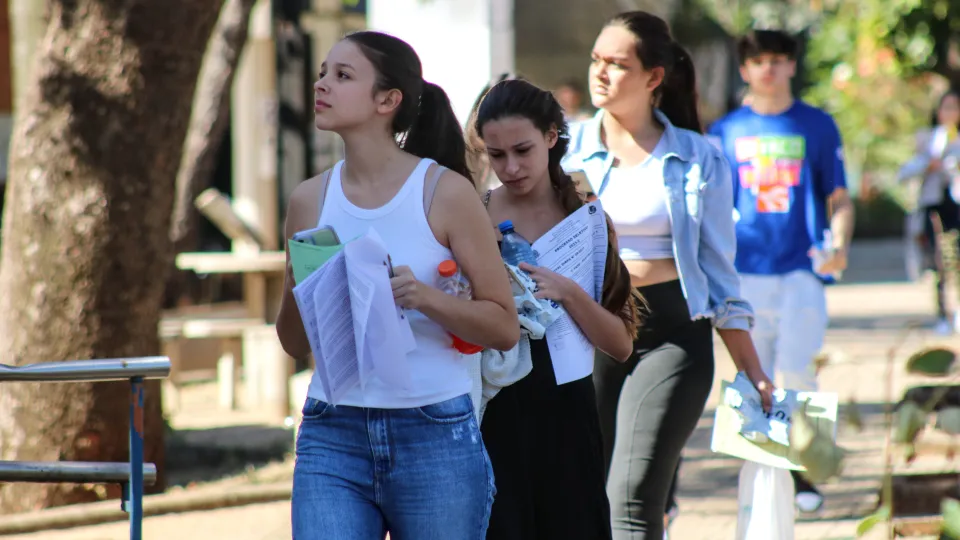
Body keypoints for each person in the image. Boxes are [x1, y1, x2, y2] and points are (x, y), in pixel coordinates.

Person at [276, 30, 520, 539]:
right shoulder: (308, 200)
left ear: (388, 101)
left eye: (343, 75)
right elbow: (295, 344)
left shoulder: (445, 193)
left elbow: (503, 327)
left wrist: (424, 298)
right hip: (332, 429)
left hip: (434, 431)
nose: (321, 84)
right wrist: (304, 289)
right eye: (323, 73)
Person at [562, 11, 774, 539]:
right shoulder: (561, 150)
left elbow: (720, 276)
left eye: (617, 63)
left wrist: (753, 370)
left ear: (654, 77)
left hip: (672, 337)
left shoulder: (699, 157)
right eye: (596, 59)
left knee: (632, 498)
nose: (600, 72)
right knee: (579, 493)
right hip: (583, 334)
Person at [473, 78, 643, 540]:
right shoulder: (473, 213)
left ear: (551, 137)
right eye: (497, 154)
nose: (511, 167)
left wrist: (568, 292)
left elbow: (620, 344)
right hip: (494, 410)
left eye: (522, 150)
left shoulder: (586, 218)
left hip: (567, 414)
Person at [707, 29, 855, 514]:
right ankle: (762, 478)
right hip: (743, 272)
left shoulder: (817, 125)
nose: (768, 68)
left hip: (801, 270)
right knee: (754, 378)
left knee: (797, 369)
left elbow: (839, 198)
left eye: (777, 59)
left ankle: (806, 472)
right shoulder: (723, 132)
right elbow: (709, 208)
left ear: (792, 65)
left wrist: (839, 245)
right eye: (758, 61)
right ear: (744, 69)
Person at [898, 90, 960, 334]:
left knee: (956, 258)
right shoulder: (928, 139)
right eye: (947, 107)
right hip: (934, 206)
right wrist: (928, 164)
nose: (951, 112)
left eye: (955, 107)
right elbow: (905, 172)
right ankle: (943, 314)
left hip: (956, 205)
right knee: (938, 260)